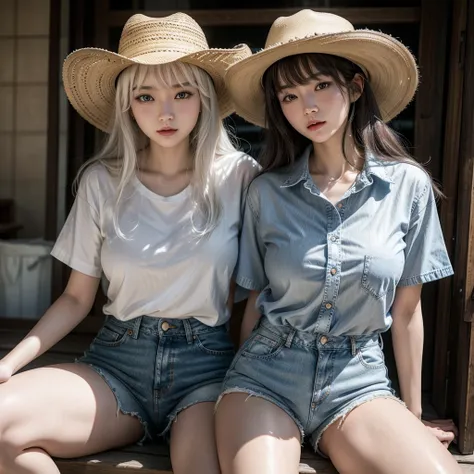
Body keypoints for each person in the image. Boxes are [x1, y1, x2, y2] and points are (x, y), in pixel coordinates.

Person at [0, 12, 256, 474]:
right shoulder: (103, 181)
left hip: (207, 369)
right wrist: (7, 365)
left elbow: (262, 292)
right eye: (146, 95)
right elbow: (77, 298)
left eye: (182, 93)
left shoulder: (239, 177)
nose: (166, 112)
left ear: (205, 100)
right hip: (116, 364)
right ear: (127, 106)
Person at [216, 10, 461, 474]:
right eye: (289, 95)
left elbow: (407, 311)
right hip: (266, 373)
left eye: (320, 86)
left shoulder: (407, 186)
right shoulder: (266, 192)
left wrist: (412, 416)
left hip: (359, 379)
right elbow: (253, 303)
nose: (307, 106)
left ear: (355, 85)